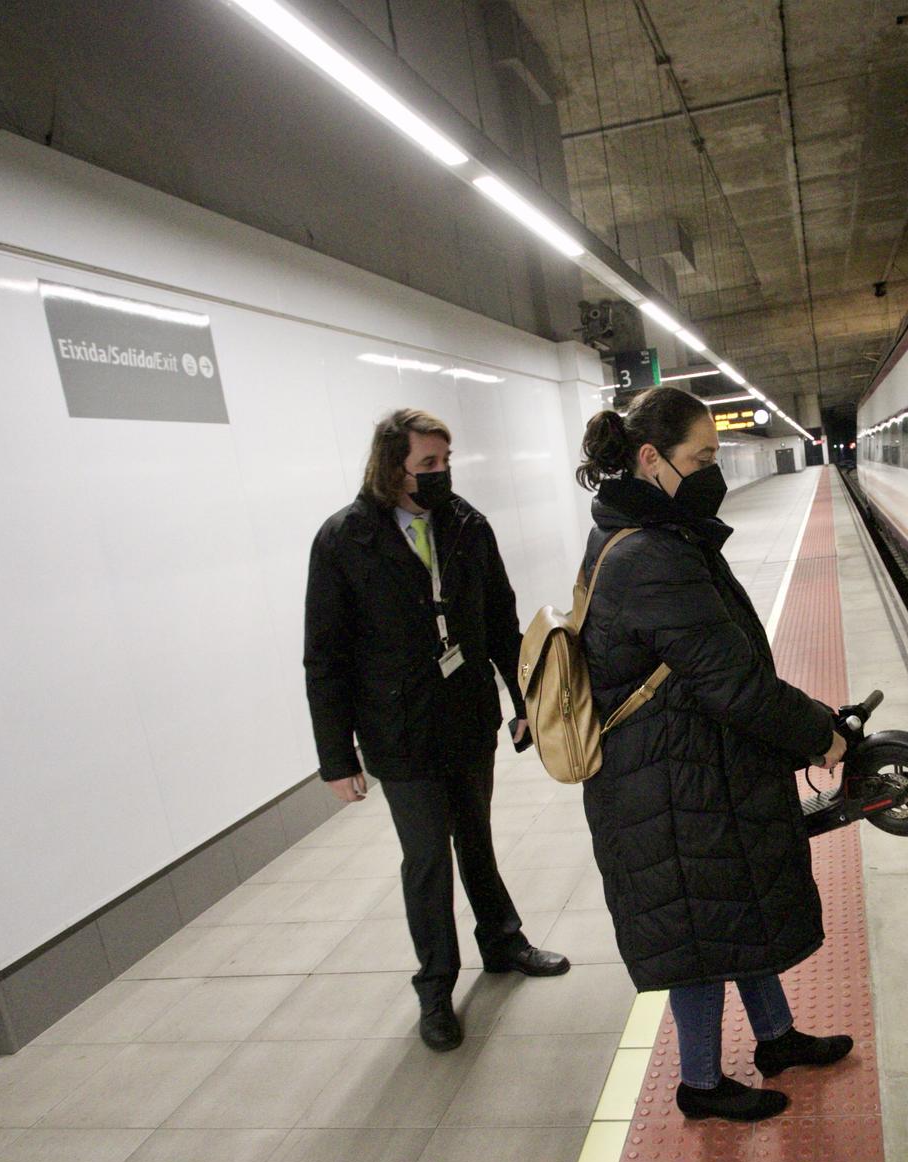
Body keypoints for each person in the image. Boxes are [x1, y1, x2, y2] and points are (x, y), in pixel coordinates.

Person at [572, 385, 853, 1122]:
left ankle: (776, 1036)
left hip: (686, 763)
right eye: (700, 457)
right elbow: (732, 680)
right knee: (699, 930)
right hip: (666, 782)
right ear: (649, 459)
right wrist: (818, 733)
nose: (712, 471)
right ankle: (700, 1082)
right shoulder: (652, 557)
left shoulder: (653, 535)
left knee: (734, 905)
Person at [303, 407, 569, 1052]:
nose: (440, 474)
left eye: (445, 462)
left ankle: (503, 944)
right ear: (391, 466)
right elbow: (325, 654)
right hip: (397, 729)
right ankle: (436, 986)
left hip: (467, 714)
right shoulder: (344, 539)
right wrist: (336, 756)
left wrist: (524, 697)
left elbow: (502, 618)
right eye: (427, 465)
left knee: (475, 837)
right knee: (427, 857)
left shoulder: (466, 525)